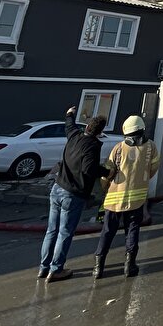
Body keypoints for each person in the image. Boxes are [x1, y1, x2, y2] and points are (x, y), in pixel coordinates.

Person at [39, 107, 111, 282]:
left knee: (51, 230)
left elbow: (69, 124)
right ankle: (56, 270)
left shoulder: (74, 135)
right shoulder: (92, 146)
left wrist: (69, 113)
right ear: (100, 132)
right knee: (65, 232)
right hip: (73, 194)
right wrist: (106, 171)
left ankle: (44, 267)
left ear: (86, 127)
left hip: (57, 188)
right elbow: (89, 169)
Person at [95, 115, 161, 279]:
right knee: (132, 231)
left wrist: (104, 188)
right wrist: (142, 179)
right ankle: (129, 266)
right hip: (137, 199)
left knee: (107, 232)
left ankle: (98, 267)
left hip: (114, 199)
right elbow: (153, 168)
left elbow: (107, 173)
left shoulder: (118, 148)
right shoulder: (150, 147)